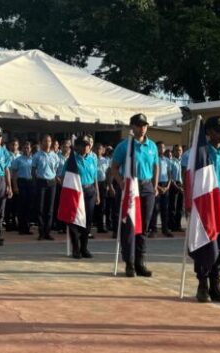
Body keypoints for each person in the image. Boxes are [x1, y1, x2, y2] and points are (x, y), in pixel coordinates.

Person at [109, 113, 159, 278]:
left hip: (147, 188)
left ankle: (140, 262)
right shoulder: (124, 146)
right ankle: (129, 263)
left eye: (144, 125)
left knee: (143, 227)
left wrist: (155, 185)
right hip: (131, 189)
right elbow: (114, 167)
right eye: (138, 125)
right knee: (129, 227)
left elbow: (156, 166)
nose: (142, 128)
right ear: (132, 127)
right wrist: (121, 183)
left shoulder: (152, 146)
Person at [193, 116, 220, 302]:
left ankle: (215, 285)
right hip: (206, 200)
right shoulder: (201, 151)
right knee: (206, 241)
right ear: (208, 132)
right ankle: (202, 283)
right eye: (218, 130)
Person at [65, 135, 99, 258]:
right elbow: (65, 176)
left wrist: (97, 194)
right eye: (83, 145)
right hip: (76, 191)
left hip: (89, 191)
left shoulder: (93, 159)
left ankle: (84, 247)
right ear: (78, 147)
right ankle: (76, 248)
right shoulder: (72, 160)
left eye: (87, 145)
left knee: (87, 221)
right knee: (74, 220)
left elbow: (94, 177)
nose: (86, 147)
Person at [32, 134, 61, 241]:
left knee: (50, 209)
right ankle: (41, 232)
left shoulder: (55, 156)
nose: (47, 143)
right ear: (41, 142)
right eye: (45, 141)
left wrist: (56, 178)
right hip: (41, 182)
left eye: (49, 141)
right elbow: (33, 170)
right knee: (40, 208)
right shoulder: (37, 155)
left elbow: (56, 169)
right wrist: (35, 183)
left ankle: (47, 232)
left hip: (52, 183)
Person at [12, 141, 34, 234]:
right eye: (25, 147)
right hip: (21, 182)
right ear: (22, 148)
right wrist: (15, 186)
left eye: (28, 147)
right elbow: (14, 174)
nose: (26, 149)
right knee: (21, 206)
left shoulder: (33, 159)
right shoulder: (18, 159)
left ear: (31, 148)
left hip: (30, 183)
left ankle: (27, 228)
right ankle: (21, 228)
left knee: (29, 206)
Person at [152, 142, 174, 238]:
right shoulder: (153, 159)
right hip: (156, 185)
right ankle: (153, 229)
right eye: (160, 147)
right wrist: (157, 187)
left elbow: (169, 175)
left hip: (165, 185)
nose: (162, 149)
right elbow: (152, 174)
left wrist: (168, 186)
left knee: (165, 209)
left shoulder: (167, 160)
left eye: (163, 147)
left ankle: (165, 229)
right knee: (155, 209)